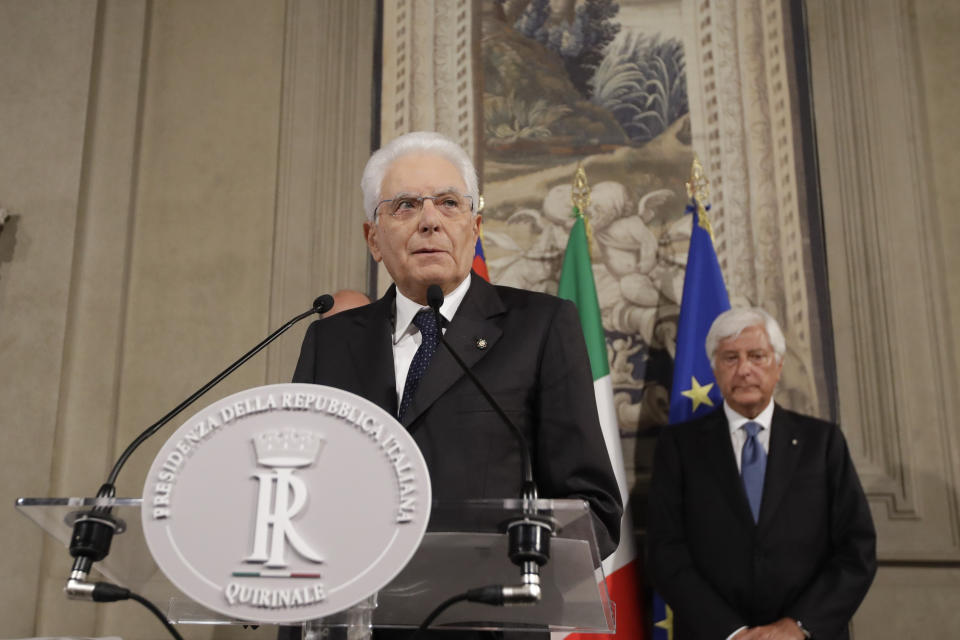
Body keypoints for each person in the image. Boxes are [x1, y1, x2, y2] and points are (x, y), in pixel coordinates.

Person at [293, 131, 622, 559]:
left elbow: (592, 509)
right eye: (406, 205)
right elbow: (296, 494)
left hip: (488, 612)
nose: (430, 221)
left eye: (449, 203)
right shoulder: (330, 341)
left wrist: (516, 567)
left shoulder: (540, 327)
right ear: (373, 239)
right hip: (362, 615)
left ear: (475, 227)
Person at [647, 308, 876, 640]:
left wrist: (797, 626)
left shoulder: (822, 443)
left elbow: (857, 549)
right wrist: (732, 632)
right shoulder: (679, 447)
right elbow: (665, 553)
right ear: (714, 367)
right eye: (730, 358)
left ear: (779, 365)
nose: (744, 370)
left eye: (757, 356)